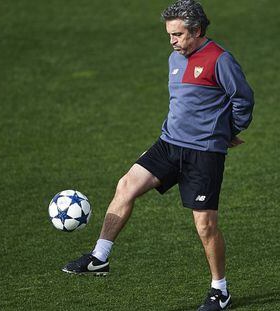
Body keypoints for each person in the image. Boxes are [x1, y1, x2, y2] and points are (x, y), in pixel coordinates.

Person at [62, 1, 254, 310]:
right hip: (168, 144)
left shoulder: (220, 60)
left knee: (205, 225)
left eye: (178, 35)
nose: (172, 41)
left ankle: (220, 289)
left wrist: (226, 131)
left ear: (197, 30)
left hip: (204, 153)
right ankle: (99, 257)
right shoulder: (173, 60)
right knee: (126, 185)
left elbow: (243, 98)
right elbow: (182, 105)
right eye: (169, 35)